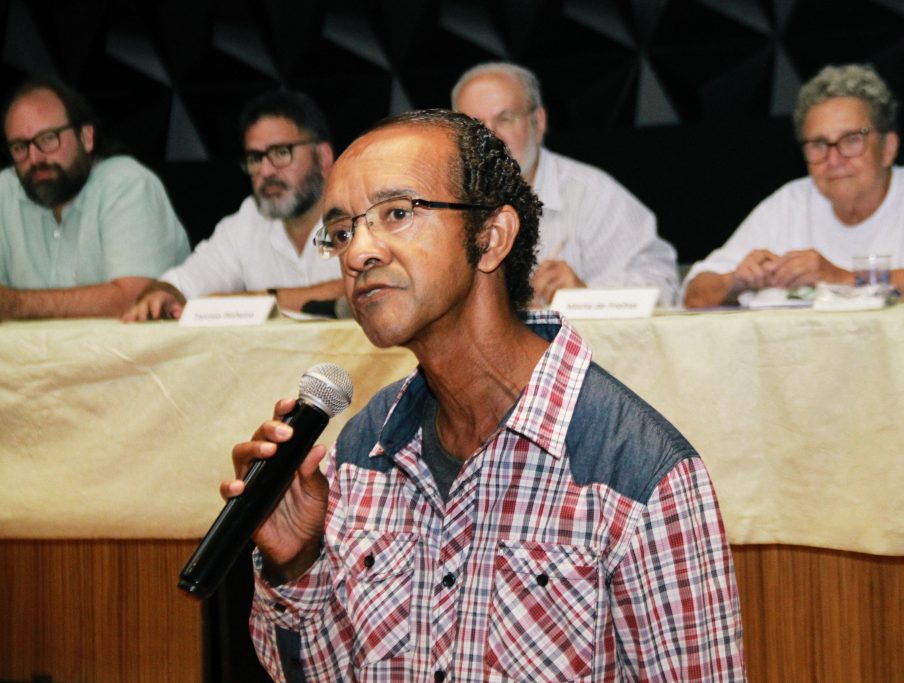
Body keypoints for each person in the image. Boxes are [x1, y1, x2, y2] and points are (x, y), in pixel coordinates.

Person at [226, 110, 744, 680]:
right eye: (344, 231)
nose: (358, 253)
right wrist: (297, 563)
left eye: (397, 213)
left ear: (491, 238)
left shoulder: (638, 472)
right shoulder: (363, 448)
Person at [683, 63, 904, 308]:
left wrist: (843, 278)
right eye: (819, 144)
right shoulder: (790, 203)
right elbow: (694, 294)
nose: (834, 159)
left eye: (852, 140)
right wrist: (735, 282)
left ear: (888, 148)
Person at [452, 61, 682, 306]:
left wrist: (586, 296)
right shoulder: (440, 198)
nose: (490, 138)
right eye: (474, 125)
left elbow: (662, 287)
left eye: (505, 119)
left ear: (538, 122)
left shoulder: (592, 195)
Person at [123, 91, 343, 321]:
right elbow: (186, 281)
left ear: (323, 157)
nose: (266, 171)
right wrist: (163, 293)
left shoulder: (358, 208)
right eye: (255, 158)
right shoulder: (247, 220)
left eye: (281, 153)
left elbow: (359, 288)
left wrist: (257, 299)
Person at [0, 75, 190, 319]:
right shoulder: (6, 190)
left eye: (48, 139)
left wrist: (16, 305)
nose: (34, 159)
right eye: (19, 147)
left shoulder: (127, 183)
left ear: (86, 137)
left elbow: (136, 299)